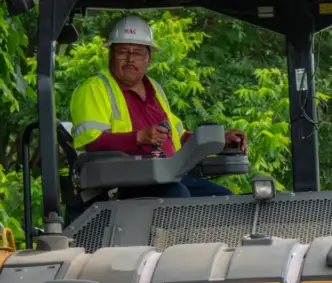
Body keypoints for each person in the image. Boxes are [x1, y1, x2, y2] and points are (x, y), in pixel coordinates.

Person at [69, 15, 247, 199]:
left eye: (137, 53)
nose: (130, 59)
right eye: (123, 52)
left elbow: (177, 137)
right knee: (178, 197)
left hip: (169, 176)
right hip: (125, 183)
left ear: (149, 59)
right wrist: (138, 137)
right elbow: (91, 142)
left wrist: (219, 141)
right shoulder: (94, 88)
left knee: (223, 198)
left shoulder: (155, 89)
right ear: (110, 55)